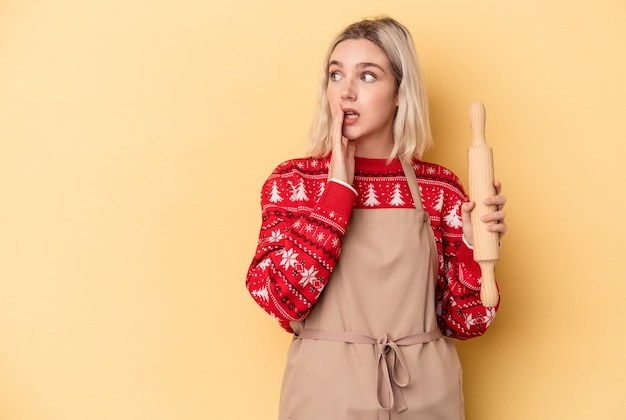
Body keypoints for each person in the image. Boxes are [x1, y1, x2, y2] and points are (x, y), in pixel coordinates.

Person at [245, 16, 507, 420]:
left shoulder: (440, 189)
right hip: (323, 397)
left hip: (425, 398)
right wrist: (337, 194)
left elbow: (468, 322)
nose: (346, 92)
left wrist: (475, 250)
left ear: (401, 93)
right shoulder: (293, 183)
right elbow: (280, 298)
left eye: (367, 76)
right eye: (336, 75)